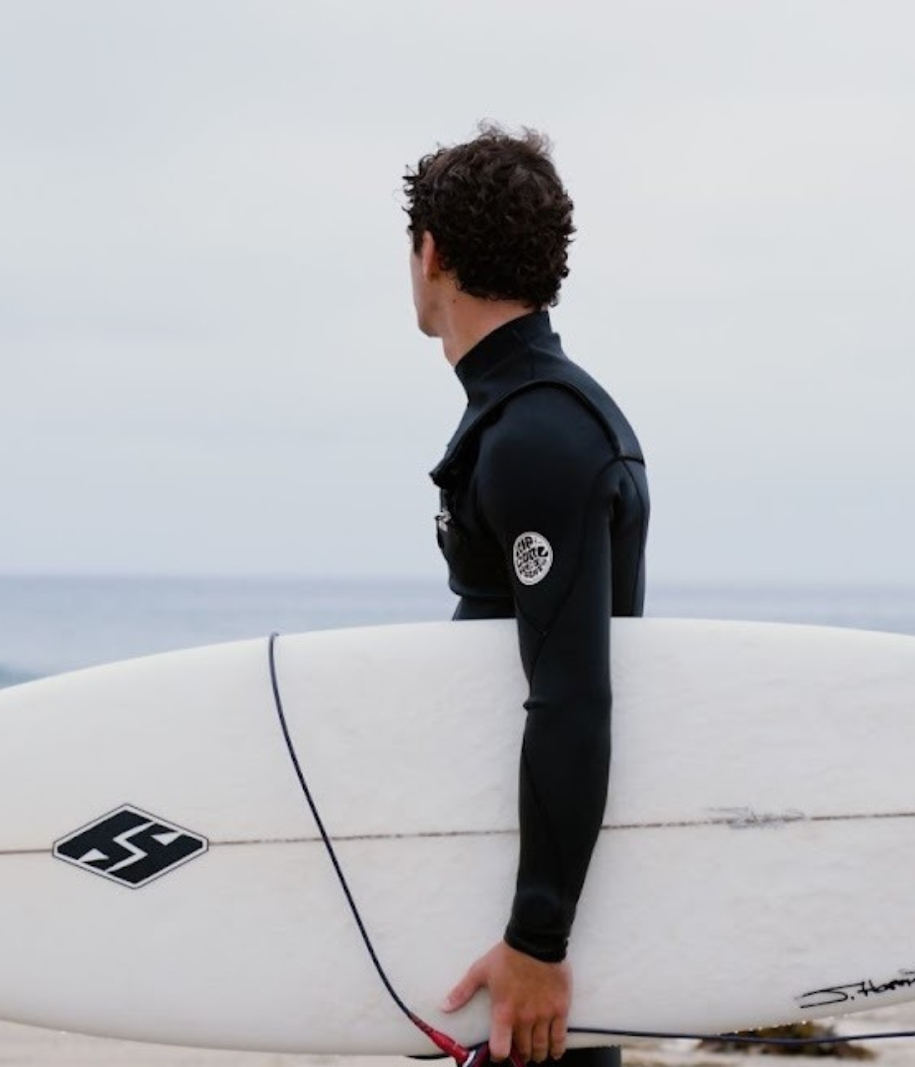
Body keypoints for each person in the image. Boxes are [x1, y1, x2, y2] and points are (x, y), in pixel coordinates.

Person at [403, 124, 650, 1067]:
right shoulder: (521, 416)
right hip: (502, 880)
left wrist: (539, 940)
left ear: (430, 254)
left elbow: (573, 696)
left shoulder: (542, 435)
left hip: (531, 920)